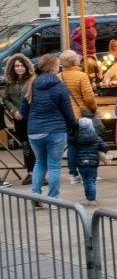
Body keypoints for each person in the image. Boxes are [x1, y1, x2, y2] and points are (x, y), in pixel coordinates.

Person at [22, 54, 79, 202]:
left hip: (34, 130)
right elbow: (67, 111)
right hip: (56, 129)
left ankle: (35, 195)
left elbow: (24, 110)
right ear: (54, 68)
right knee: (54, 165)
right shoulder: (60, 86)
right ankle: (53, 198)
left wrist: (33, 123)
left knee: (40, 162)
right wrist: (74, 126)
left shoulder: (30, 84)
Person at [57, 50, 96, 184]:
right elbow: (89, 96)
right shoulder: (81, 76)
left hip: (65, 116)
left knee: (72, 146)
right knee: (87, 145)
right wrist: (93, 109)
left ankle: (73, 174)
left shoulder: (58, 77)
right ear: (74, 61)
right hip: (82, 115)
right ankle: (89, 172)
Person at [4, 55, 36, 183]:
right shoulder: (10, 83)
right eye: (17, 66)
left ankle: (38, 173)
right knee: (26, 146)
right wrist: (13, 111)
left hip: (32, 117)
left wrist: (24, 110)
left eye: (22, 65)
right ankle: (30, 172)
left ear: (27, 67)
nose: (19, 68)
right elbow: (6, 99)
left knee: (35, 145)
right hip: (19, 120)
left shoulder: (32, 80)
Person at [72, 117, 106, 206]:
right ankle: (92, 199)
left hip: (81, 163)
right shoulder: (96, 137)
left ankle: (88, 197)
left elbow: (73, 147)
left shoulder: (76, 137)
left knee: (85, 181)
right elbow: (104, 146)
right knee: (91, 181)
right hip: (92, 163)